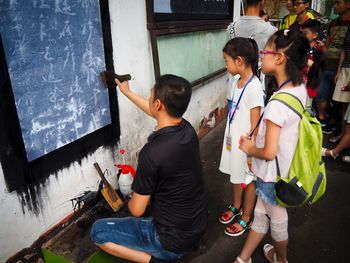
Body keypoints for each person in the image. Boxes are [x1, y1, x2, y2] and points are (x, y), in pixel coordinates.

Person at [90, 75, 208, 263]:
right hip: (196, 226)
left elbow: (136, 210)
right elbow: (156, 112)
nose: (150, 99)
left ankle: (154, 261)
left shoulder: (152, 153)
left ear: (159, 104)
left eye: (151, 95)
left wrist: (134, 197)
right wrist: (127, 92)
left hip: (170, 241)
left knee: (98, 231)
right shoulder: (187, 130)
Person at [233, 29, 310, 263]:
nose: (261, 57)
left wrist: (248, 148)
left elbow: (268, 152)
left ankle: (281, 259)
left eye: (265, 51)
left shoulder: (277, 103)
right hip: (283, 168)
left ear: (279, 58)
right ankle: (243, 258)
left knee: (276, 218)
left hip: (272, 175)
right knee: (260, 214)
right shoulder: (298, 89)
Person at [218, 38, 264, 237]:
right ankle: (236, 206)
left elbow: (255, 126)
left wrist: (251, 154)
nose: (225, 65)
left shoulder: (254, 87)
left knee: (249, 180)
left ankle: (246, 217)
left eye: (226, 60)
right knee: (235, 175)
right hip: (233, 140)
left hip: (246, 145)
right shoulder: (237, 81)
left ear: (239, 60)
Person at [316, 0, 350, 134]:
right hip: (327, 64)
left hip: (343, 67)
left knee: (340, 100)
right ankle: (322, 120)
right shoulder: (333, 23)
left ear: (348, 4)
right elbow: (327, 44)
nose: (335, 6)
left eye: (338, 3)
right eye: (334, 3)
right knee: (321, 94)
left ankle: (337, 126)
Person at [329, 24, 350, 143]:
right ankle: (343, 135)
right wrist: (339, 70)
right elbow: (343, 50)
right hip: (345, 68)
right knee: (343, 105)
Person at [301, 19, 324, 103]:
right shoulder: (299, 47)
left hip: (310, 86)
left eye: (305, 33)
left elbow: (320, 68)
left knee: (307, 108)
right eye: (302, 33)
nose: (302, 35)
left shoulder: (319, 50)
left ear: (315, 35)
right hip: (298, 83)